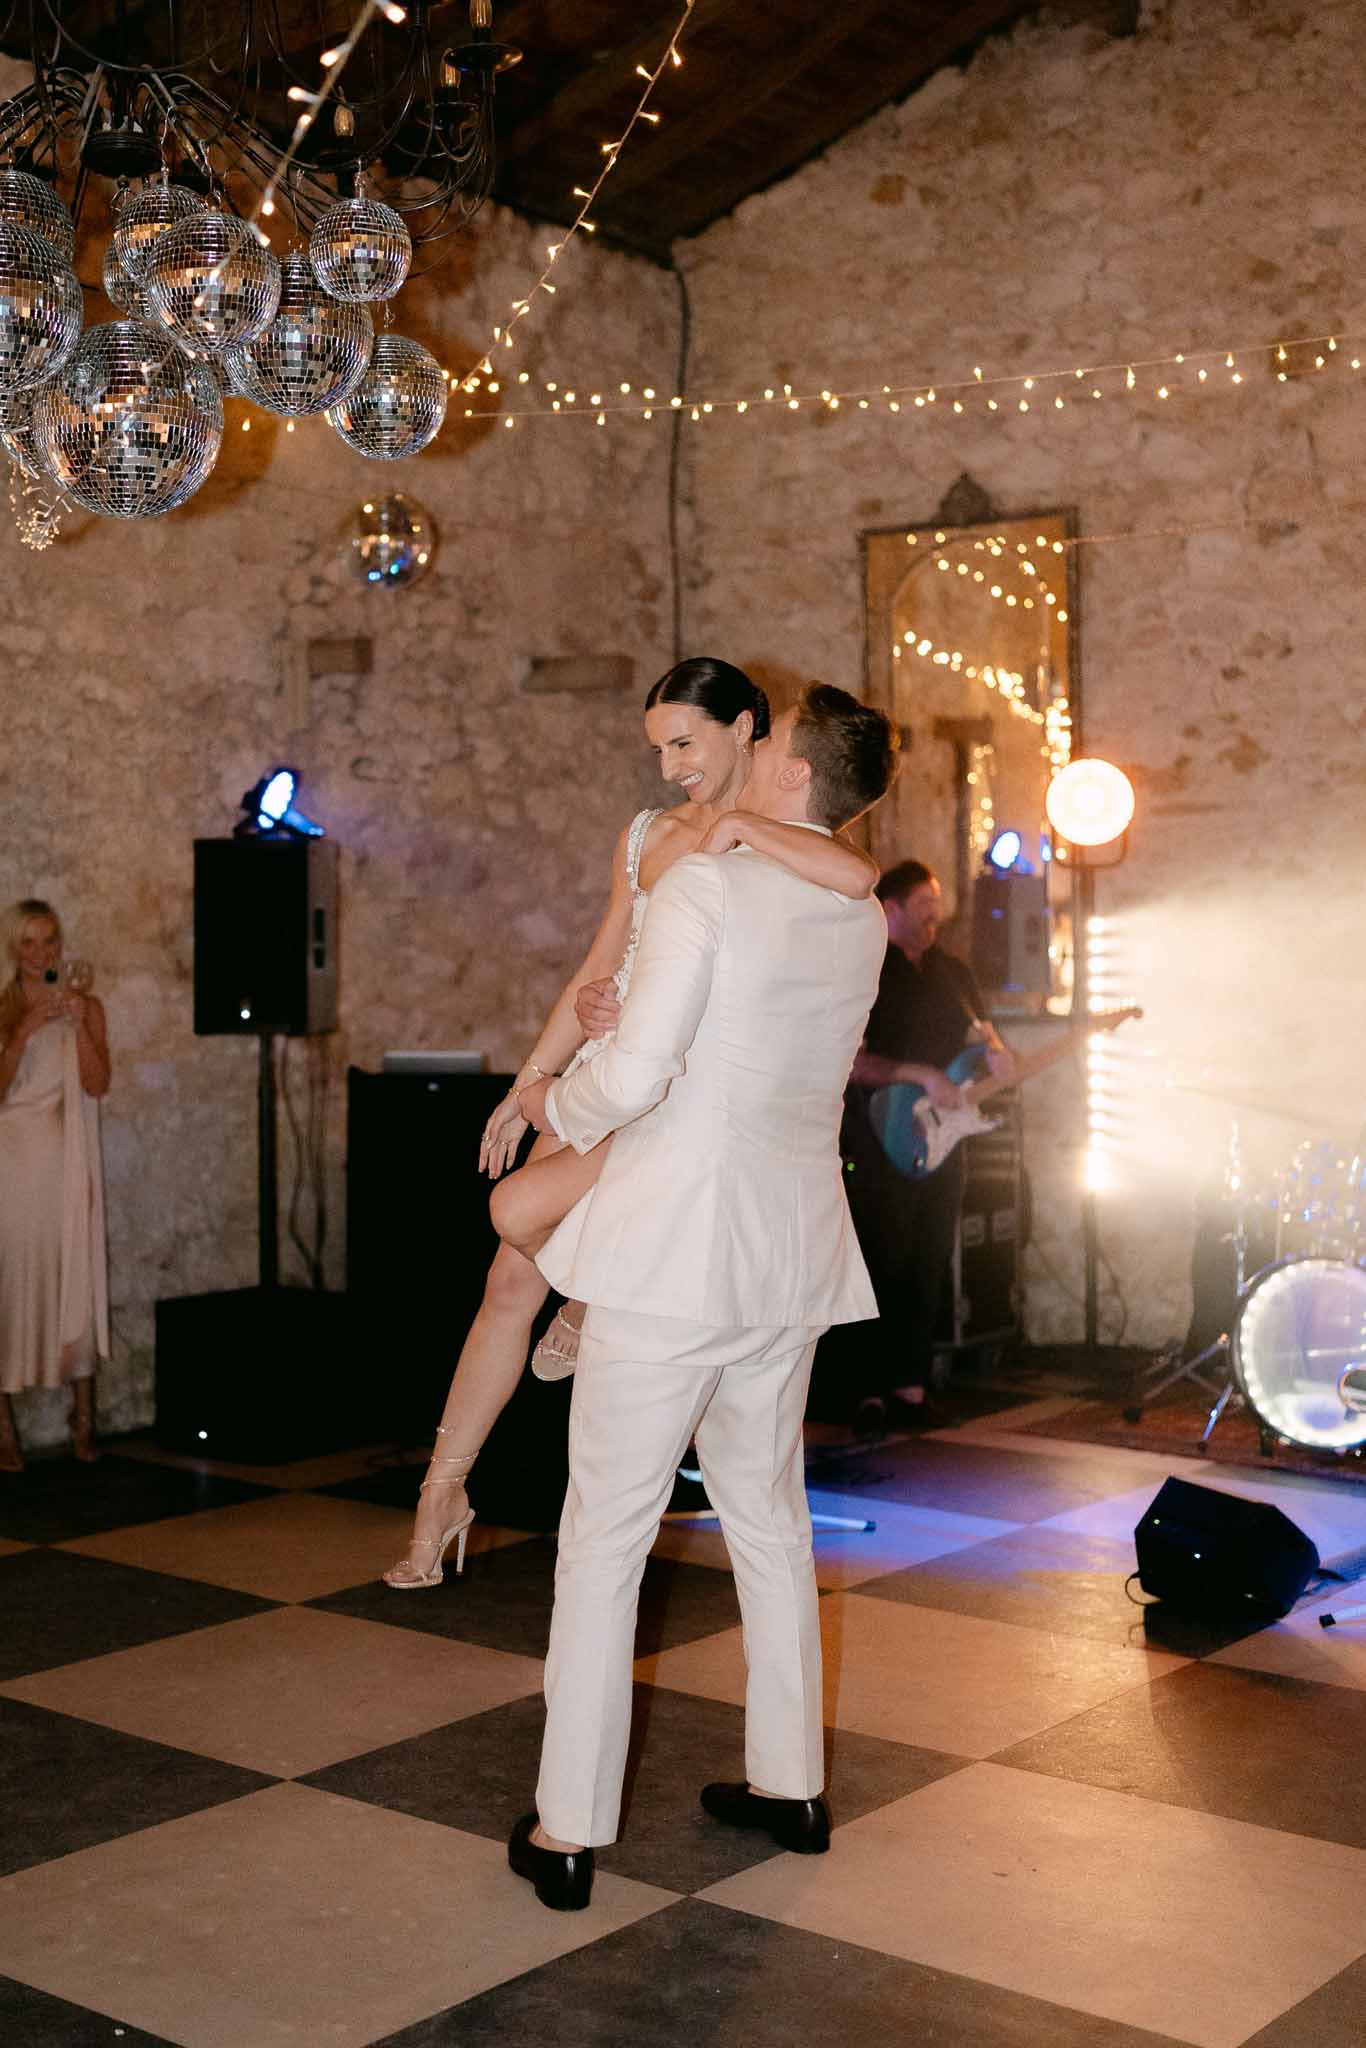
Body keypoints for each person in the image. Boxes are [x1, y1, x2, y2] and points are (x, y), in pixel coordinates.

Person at [506, 682, 898, 1911]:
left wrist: (552, 1113)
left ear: (789, 775)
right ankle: (789, 1785)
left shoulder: (708, 887)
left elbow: (628, 1077)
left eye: (769, 741)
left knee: (606, 1538)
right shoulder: (860, 920)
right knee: (771, 1524)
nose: (751, 753)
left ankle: (567, 1828)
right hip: (785, 1258)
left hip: (676, 1255)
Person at [382, 659, 877, 1588]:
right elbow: (598, 962)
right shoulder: (648, 834)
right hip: (612, 1070)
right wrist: (532, 1076)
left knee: (524, 1216)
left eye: (685, 743)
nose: (670, 768)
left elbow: (860, 873)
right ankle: (441, 1493)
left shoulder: (773, 841)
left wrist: (615, 1034)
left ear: (747, 730)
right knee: (503, 1283)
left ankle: (589, 1298)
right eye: (658, 748)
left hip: (679, 1096)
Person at [839, 859, 1014, 1432]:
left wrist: (996, 1052)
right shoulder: (861, 971)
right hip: (876, 1136)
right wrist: (919, 1074)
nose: (935, 916)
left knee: (929, 1258)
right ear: (890, 910)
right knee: (877, 1260)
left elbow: (982, 1036)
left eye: (936, 906)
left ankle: (910, 1388)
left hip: (942, 1139)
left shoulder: (953, 973)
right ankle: (863, 1390)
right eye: (923, 907)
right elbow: (851, 1062)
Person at [0, 899, 111, 1471]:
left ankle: (83, 1417)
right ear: (13, 949)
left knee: (75, 1277)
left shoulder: (85, 1005)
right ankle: (3, 1427)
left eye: (49, 942)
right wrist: (22, 1032)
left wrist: (78, 1026)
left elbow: (97, 1084)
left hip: (66, 1163)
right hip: (12, 1164)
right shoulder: (3, 1007)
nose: (40, 953)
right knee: (13, 1283)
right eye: (29, 943)